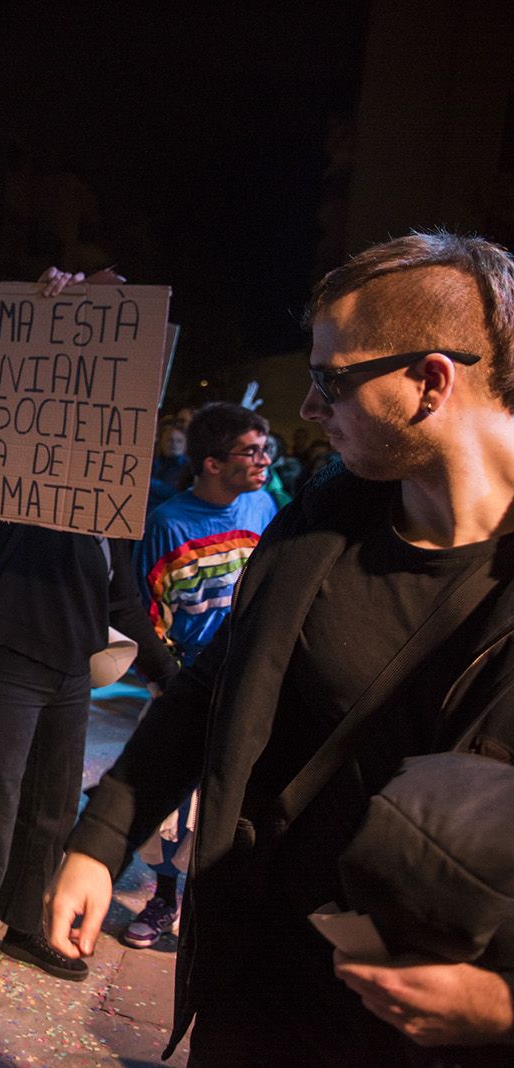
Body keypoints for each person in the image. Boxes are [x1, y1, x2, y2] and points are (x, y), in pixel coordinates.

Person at [46, 231, 514, 1063]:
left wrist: (506, 1006)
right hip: (255, 976)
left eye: (333, 380)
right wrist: (103, 834)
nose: (306, 410)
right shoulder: (318, 520)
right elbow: (214, 685)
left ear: (431, 382)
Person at [0, 266, 177, 1023]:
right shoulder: (19, 458)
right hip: (12, 662)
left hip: (73, 667)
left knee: (53, 807)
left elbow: (122, 595)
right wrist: (52, 310)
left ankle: (26, 923)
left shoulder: (116, 484)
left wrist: (166, 669)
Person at [120, 401, 277, 949]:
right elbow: (150, 611)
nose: (263, 461)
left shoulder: (263, 506)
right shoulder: (168, 524)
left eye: (266, 449)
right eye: (250, 451)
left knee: (233, 798)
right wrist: (165, 678)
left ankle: (211, 902)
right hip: (188, 682)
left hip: (252, 681)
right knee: (170, 802)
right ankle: (164, 898)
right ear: (212, 463)